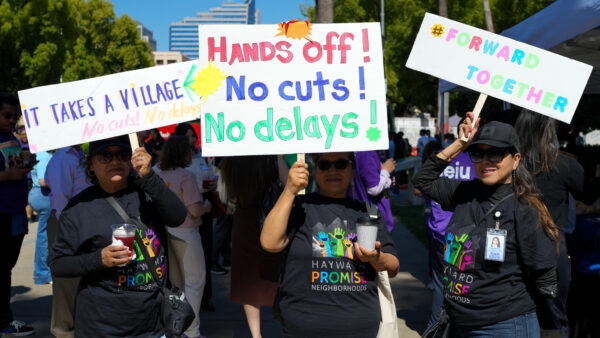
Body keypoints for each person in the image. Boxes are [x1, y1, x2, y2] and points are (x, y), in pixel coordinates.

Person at [413, 117, 559, 337]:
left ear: (516, 159)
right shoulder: (465, 192)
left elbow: (543, 278)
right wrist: (459, 144)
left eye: (496, 153)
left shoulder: (525, 208)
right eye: (478, 153)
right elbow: (422, 180)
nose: (485, 161)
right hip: (458, 321)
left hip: (503, 326)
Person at [49, 135, 187, 337]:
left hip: (154, 322)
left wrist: (149, 177)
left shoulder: (147, 192)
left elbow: (178, 217)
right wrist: (99, 259)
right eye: (105, 155)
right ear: (91, 165)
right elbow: (58, 264)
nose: (115, 161)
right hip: (103, 326)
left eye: (123, 154)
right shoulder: (78, 209)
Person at [261, 152, 400, 337]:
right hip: (302, 328)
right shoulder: (297, 207)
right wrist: (289, 191)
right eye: (324, 164)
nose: (332, 170)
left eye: (341, 164)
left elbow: (393, 266)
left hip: (360, 328)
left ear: (352, 170)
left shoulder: (369, 212)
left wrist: (377, 258)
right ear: (314, 169)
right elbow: (270, 243)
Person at [515, 109, 586, 338]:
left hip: (514, 246)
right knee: (555, 315)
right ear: (548, 131)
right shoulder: (564, 164)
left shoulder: (510, 164)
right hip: (552, 246)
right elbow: (584, 189)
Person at [220, 155, 283, 338]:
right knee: (276, 274)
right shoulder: (268, 158)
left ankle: (256, 335)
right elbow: (288, 183)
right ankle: (285, 323)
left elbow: (228, 194)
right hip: (271, 218)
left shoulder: (231, 161)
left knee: (247, 281)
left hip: (243, 220)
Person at [155, 135, 211, 338]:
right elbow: (194, 210)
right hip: (186, 233)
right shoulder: (185, 176)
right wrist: (207, 207)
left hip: (161, 232)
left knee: (170, 283)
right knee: (194, 283)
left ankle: (169, 327)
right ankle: (191, 330)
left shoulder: (155, 172)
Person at [44, 144, 91, 338]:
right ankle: (63, 332)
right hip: (67, 223)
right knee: (66, 284)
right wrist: (71, 226)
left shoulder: (79, 153)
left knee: (80, 280)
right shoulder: (62, 158)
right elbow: (60, 197)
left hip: (81, 222)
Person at [174, 122, 221, 311]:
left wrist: (211, 186)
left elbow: (210, 176)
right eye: (187, 136)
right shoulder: (177, 163)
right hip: (185, 213)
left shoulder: (202, 156)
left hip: (204, 206)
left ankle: (204, 297)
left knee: (205, 252)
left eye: (193, 136)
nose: (191, 140)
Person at [0, 92, 35, 336]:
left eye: (15, 116)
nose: (13, 120)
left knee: (6, 268)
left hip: (15, 211)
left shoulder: (10, 137)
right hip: (2, 212)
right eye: (7, 115)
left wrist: (25, 165)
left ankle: (5, 320)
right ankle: (4, 323)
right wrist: (7, 176)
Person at [352, 151, 396, 232]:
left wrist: (387, 179)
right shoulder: (367, 153)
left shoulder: (363, 153)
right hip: (374, 216)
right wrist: (386, 171)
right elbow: (374, 188)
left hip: (370, 214)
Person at [28, 150, 53, 285]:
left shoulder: (44, 154)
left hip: (41, 195)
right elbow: (43, 181)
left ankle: (42, 272)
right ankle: (42, 273)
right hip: (44, 195)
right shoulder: (44, 154)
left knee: (46, 235)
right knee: (45, 236)